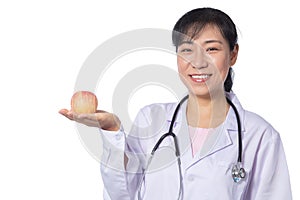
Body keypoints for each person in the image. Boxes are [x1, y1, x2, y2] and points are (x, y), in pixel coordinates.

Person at [59, 7, 292, 200]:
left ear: (232, 54)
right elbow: (122, 194)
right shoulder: (151, 119)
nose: (198, 62)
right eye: (187, 50)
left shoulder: (260, 135)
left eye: (211, 49)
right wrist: (111, 129)